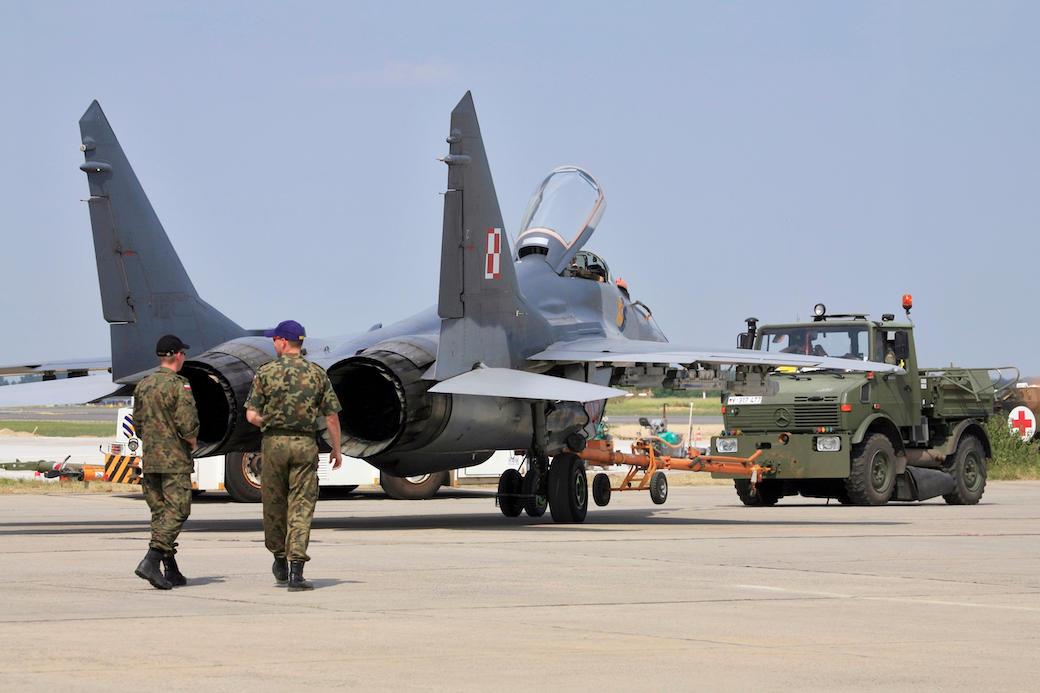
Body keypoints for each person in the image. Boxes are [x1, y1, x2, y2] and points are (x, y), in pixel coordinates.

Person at [245, 320, 342, 591]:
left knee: (274, 504)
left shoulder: (265, 372)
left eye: (274, 339)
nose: (273, 343)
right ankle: (296, 572)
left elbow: (251, 415)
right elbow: (331, 416)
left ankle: (279, 557)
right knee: (301, 506)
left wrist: (269, 420)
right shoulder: (316, 373)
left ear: (283, 341)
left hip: (274, 445)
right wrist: (336, 448)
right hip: (304, 445)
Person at [132, 334, 199, 590]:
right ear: (178, 355)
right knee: (179, 510)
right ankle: (152, 559)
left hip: (151, 460)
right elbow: (187, 424)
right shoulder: (179, 385)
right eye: (184, 354)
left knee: (160, 514)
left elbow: (137, 423)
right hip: (174, 462)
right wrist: (192, 440)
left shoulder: (144, 384)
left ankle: (171, 570)